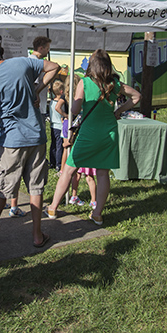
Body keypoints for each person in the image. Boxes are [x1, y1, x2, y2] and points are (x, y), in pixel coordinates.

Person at [0, 37, 59, 248]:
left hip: (11, 143)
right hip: (37, 136)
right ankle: (37, 236)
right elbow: (54, 67)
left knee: (0, 188)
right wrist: (37, 89)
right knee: (36, 187)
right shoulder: (23, 62)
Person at [46, 49, 141, 226]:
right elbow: (137, 96)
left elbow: (74, 110)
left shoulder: (85, 82)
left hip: (89, 133)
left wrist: (75, 100)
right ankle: (97, 213)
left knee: (68, 170)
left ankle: (53, 208)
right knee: (103, 173)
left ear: (92, 65)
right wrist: (119, 111)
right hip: (109, 133)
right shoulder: (115, 84)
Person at [31, 36, 52, 120]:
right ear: (41, 48)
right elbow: (33, 84)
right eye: (47, 48)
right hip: (37, 107)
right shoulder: (35, 62)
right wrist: (36, 94)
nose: (48, 51)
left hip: (39, 107)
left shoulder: (35, 61)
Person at [49, 79, 66, 172]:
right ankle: (58, 164)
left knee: (53, 145)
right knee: (59, 146)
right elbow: (60, 114)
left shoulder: (51, 102)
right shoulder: (60, 103)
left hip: (52, 125)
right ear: (61, 91)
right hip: (59, 126)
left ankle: (52, 162)